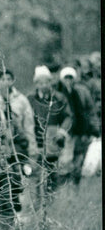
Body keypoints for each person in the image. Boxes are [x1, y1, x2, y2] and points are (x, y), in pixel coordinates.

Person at [27, 65, 71, 203]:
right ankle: (37, 202)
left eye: (46, 82)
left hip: (53, 141)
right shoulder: (30, 99)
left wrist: (62, 131)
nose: (44, 85)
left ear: (50, 82)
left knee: (52, 172)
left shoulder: (58, 98)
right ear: (36, 84)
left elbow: (68, 116)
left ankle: (51, 202)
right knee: (35, 173)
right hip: (36, 140)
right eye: (40, 82)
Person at [57, 66, 98, 185]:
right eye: (66, 77)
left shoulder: (81, 92)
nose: (68, 80)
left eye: (70, 77)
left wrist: (93, 128)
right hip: (66, 133)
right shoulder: (58, 93)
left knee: (79, 160)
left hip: (81, 131)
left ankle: (75, 186)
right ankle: (64, 187)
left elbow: (90, 111)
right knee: (65, 161)